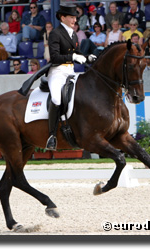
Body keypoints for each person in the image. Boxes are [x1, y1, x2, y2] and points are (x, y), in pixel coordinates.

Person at [46, 4, 94, 150]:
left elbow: (77, 53)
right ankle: (52, 136)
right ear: (63, 17)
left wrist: (87, 57)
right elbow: (54, 57)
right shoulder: (55, 33)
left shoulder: (72, 34)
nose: (74, 20)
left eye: (75, 17)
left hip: (71, 72)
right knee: (56, 99)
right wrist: (72, 56)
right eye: (72, 17)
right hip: (58, 72)